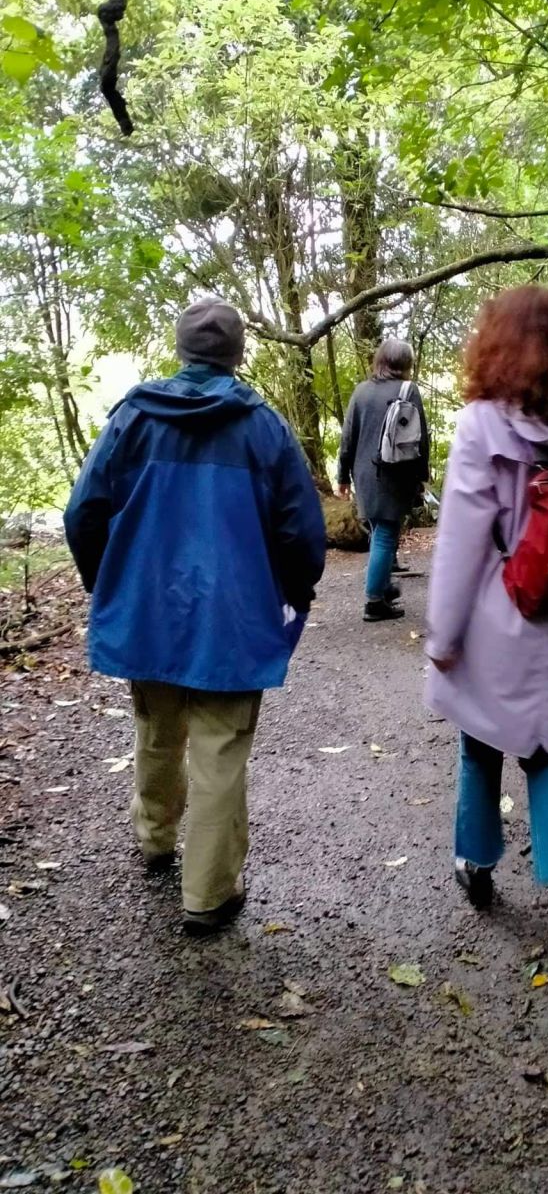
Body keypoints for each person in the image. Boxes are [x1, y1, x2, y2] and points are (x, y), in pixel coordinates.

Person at [63, 298, 326, 937]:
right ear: (237, 354)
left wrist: (110, 586)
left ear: (182, 349)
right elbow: (300, 531)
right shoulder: (263, 427)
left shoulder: (133, 417)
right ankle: (207, 895)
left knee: (156, 725)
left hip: (147, 610)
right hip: (233, 617)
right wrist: (296, 591)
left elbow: (81, 514)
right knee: (220, 747)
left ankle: (155, 839)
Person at [425, 284, 548, 972]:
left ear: (497, 345)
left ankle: (476, 861)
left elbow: (461, 542)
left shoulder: (483, 424)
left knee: (480, 737)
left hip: (498, 612)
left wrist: (443, 637)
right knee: (545, 748)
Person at [337, 338, 430, 621]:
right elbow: (420, 439)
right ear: (405, 363)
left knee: (380, 530)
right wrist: (422, 476)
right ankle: (374, 601)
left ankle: (384, 586)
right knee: (386, 533)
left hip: (364, 473)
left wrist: (343, 476)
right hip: (395, 471)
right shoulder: (408, 389)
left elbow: (348, 437)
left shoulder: (361, 391)